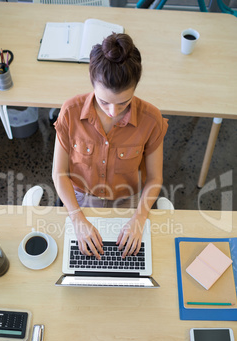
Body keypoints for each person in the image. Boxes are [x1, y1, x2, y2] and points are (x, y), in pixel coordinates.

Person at [53, 33, 168, 260]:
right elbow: (59, 173)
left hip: (128, 199)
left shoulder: (151, 119)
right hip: (81, 198)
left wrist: (139, 218)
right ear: (92, 82)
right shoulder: (70, 112)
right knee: (76, 257)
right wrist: (77, 218)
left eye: (124, 103)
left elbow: (155, 178)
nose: (113, 112)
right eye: (103, 101)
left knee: (132, 258)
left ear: (135, 87)